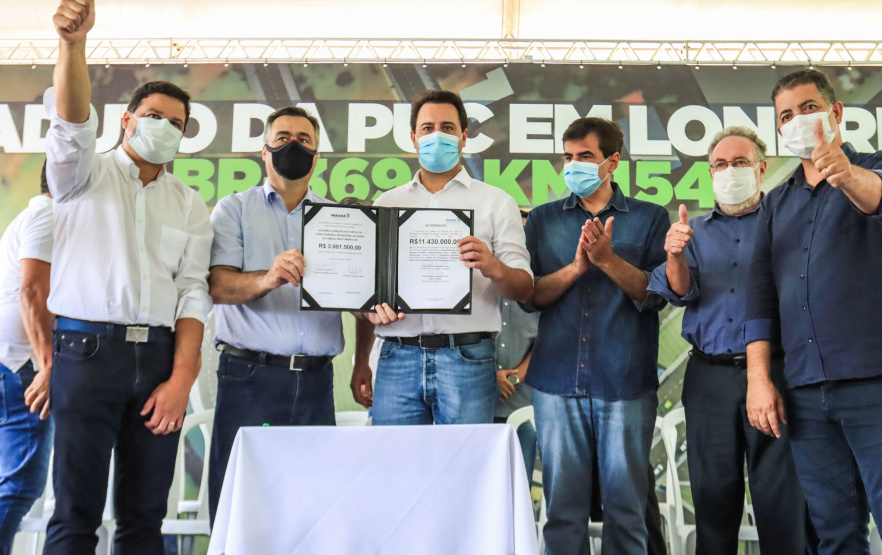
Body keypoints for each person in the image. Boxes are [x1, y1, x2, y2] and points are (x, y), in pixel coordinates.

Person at [44, 2, 213, 553]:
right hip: (85, 352)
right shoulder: (81, 174)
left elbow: (193, 294)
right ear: (127, 119)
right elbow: (70, 124)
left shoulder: (189, 203)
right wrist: (73, 46)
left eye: (177, 124)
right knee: (75, 516)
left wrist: (181, 380)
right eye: (155, 116)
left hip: (159, 362)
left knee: (145, 520)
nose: (165, 128)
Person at [745, 69, 882, 555]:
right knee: (835, 536)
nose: (797, 121)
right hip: (806, 393)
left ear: (835, 112)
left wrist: (845, 172)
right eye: (786, 116)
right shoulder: (775, 203)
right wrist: (760, 378)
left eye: (807, 109)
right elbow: (759, 298)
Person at [648, 127, 812, 554]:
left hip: (778, 373)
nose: (729, 171)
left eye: (739, 162)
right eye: (720, 164)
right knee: (713, 501)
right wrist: (675, 254)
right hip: (710, 377)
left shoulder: (788, 222)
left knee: (782, 502)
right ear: (709, 173)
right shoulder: (692, 230)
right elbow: (681, 292)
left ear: (761, 168)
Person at [524, 117, 669, 554]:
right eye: (567, 157)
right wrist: (574, 270)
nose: (574, 166)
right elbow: (531, 297)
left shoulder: (649, 219)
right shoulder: (543, 220)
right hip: (556, 385)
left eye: (585, 156)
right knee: (562, 512)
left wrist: (608, 261)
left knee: (626, 512)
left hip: (624, 382)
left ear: (612, 162)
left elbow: (656, 294)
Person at [350, 90, 533, 425]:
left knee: (465, 468)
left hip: (467, 358)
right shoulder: (386, 204)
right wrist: (371, 309)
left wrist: (493, 266)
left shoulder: (496, 202)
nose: (437, 135)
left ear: (464, 137)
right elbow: (365, 288)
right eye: (427, 128)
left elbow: (524, 288)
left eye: (448, 128)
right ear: (413, 138)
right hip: (396, 355)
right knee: (397, 467)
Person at [206, 106, 342, 523]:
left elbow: (361, 300)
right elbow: (218, 286)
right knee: (241, 503)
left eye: (303, 140)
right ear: (264, 152)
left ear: (316, 157)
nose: (292, 146)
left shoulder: (341, 219)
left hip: (317, 380)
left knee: (314, 507)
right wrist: (268, 278)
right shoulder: (233, 209)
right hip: (250, 377)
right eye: (282, 138)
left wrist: (364, 356)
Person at [0, 164, 54, 555]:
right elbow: (32, 293)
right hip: (21, 366)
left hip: (14, 363)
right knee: (19, 486)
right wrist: (46, 365)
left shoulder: (38, 214)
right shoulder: (48, 215)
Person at [493, 210, 540, 486]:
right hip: (479, 399)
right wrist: (492, 376)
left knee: (518, 487)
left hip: (523, 404)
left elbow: (550, 336)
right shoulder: (480, 280)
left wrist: (515, 376)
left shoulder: (543, 285)